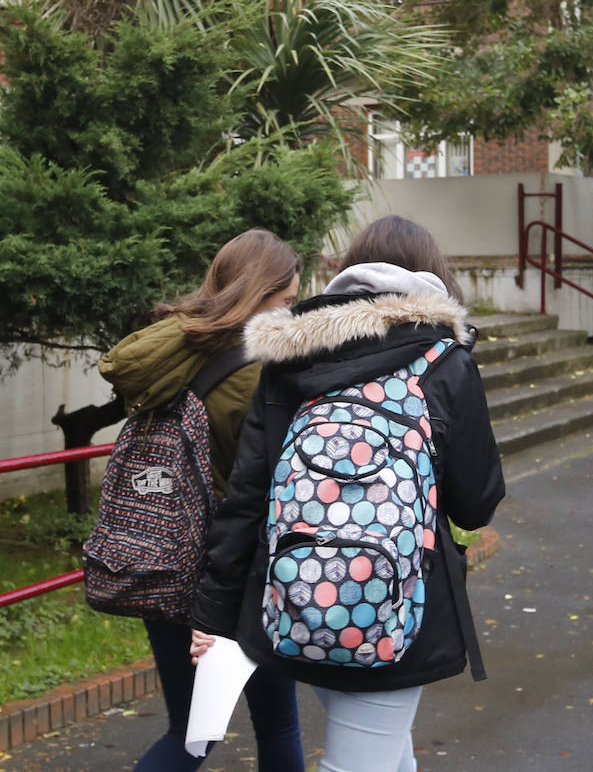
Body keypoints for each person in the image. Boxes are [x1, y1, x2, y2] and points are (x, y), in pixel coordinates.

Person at [190, 216, 505, 772]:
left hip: (296, 601)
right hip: (397, 609)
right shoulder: (445, 362)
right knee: (364, 760)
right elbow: (476, 504)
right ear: (432, 278)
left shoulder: (291, 356)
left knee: (386, 753)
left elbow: (246, 497)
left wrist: (213, 615)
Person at [98, 229, 306, 772]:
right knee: (272, 725)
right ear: (258, 293)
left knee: (187, 729)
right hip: (232, 575)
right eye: (286, 302)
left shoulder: (178, 355)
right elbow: (271, 485)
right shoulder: (258, 376)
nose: (290, 315)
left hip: (163, 557)